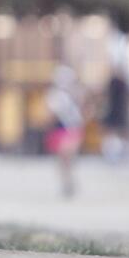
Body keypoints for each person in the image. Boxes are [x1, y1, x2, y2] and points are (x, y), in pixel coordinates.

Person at [44, 63, 86, 197]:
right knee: (63, 158)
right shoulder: (54, 95)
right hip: (60, 128)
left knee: (67, 156)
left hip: (71, 128)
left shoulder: (74, 94)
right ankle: (66, 181)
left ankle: (69, 180)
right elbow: (50, 113)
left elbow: (81, 109)